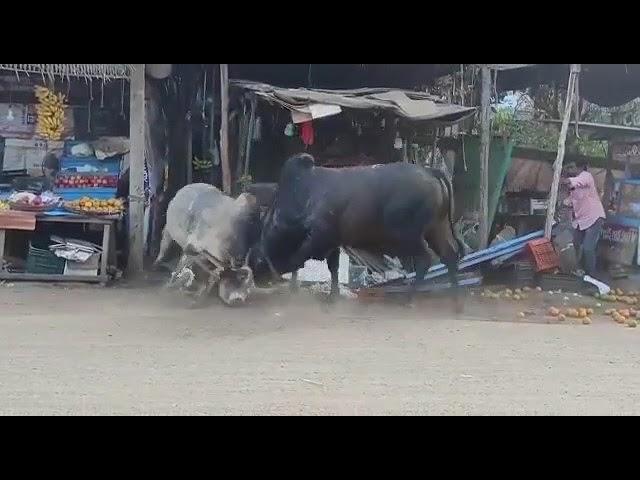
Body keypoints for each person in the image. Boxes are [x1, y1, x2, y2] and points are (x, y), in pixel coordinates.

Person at [561, 161, 606, 277]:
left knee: (588, 248)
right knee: (575, 243)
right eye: (567, 168)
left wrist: (562, 180)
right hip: (581, 220)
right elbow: (571, 198)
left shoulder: (586, 176)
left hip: (594, 218)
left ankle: (591, 276)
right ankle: (579, 270)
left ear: (580, 167)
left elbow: (576, 182)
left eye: (571, 167)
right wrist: (563, 203)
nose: (569, 170)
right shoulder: (573, 184)